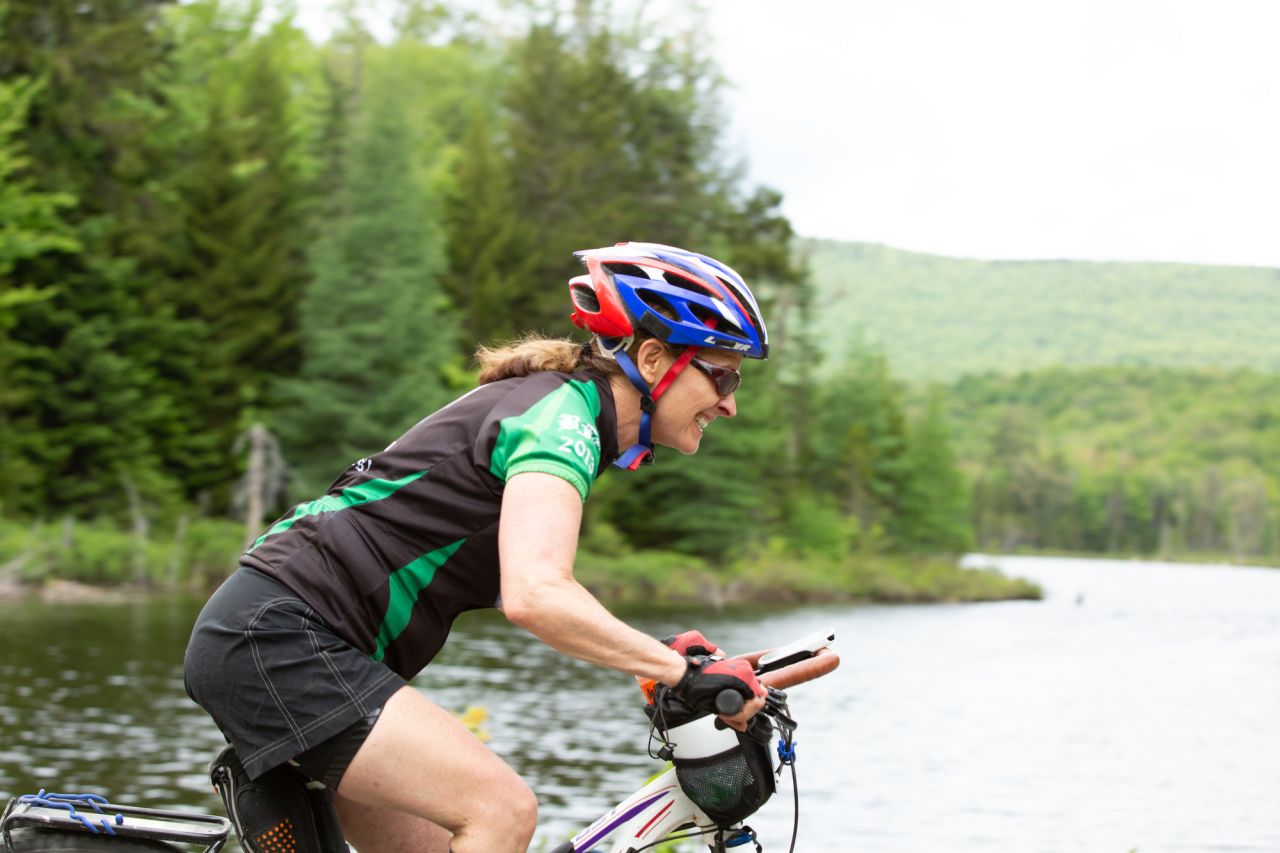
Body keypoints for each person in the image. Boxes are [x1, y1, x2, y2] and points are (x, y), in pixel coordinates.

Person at [184, 242, 771, 853]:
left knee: (442, 843)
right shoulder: (561, 420)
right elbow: (537, 594)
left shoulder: (559, 411)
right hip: (279, 637)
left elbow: (545, 590)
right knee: (499, 811)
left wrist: (667, 666)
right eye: (722, 375)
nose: (729, 404)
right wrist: (677, 671)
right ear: (652, 358)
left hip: (286, 639)